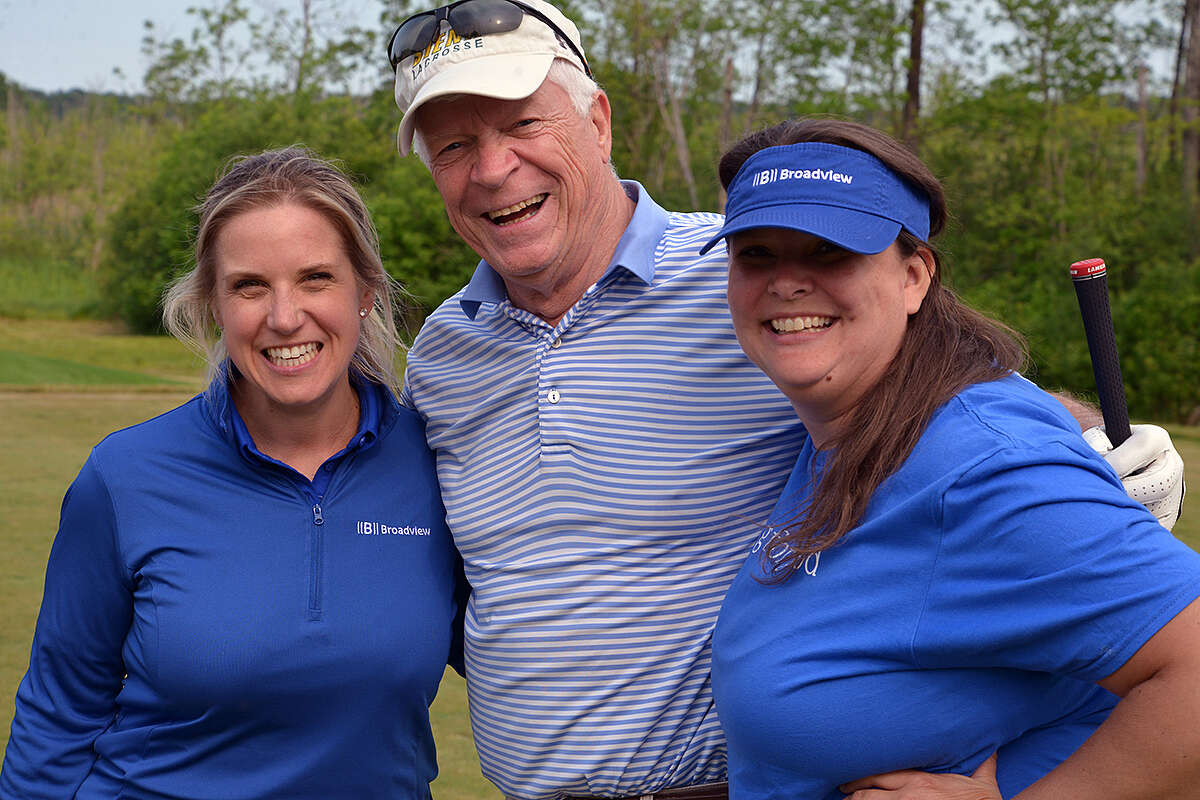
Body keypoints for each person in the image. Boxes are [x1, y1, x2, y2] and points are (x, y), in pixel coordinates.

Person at [385, 2, 1187, 798]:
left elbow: (934, 386)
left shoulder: (739, 279)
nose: (492, 170)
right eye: (454, 145)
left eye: (523, 125)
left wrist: (1076, 435)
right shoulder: (445, 356)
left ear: (596, 121)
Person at [704, 118, 1200, 800]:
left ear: (913, 277)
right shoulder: (856, 421)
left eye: (830, 252)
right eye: (756, 254)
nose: (787, 283)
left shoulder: (980, 468)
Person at [0, 147, 463, 799]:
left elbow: (523, 647)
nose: (283, 316)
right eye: (250, 286)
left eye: (315, 279)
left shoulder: (442, 464)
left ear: (366, 293)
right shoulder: (124, 476)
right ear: (214, 304)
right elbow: (56, 722)